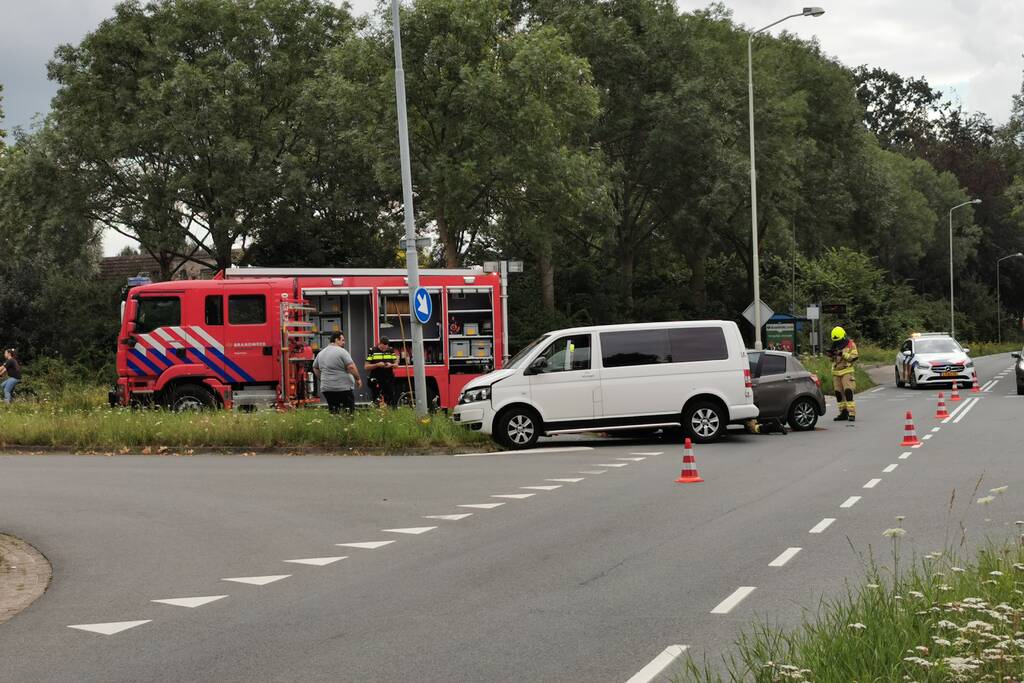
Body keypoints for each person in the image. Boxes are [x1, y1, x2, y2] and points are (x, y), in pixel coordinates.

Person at [312, 332, 362, 414]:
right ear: (336, 340)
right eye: (342, 340)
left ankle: (335, 425)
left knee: (334, 411)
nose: (344, 342)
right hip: (343, 388)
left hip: (327, 389)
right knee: (348, 412)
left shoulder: (321, 353)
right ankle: (348, 426)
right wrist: (358, 378)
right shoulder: (342, 351)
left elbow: (315, 367)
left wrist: (322, 379)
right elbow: (351, 367)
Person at [828, 326, 859, 422]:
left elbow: (854, 357)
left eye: (839, 340)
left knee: (848, 391)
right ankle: (843, 412)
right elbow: (831, 360)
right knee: (838, 393)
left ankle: (851, 413)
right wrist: (831, 355)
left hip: (847, 371)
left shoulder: (850, 344)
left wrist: (842, 354)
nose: (838, 343)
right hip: (836, 372)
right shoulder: (835, 344)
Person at [364, 336, 398, 407]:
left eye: (386, 348)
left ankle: (391, 413)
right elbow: (366, 367)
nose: (384, 349)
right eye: (382, 348)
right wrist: (377, 365)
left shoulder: (391, 350)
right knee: (376, 400)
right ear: (379, 343)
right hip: (376, 379)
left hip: (388, 379)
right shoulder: (372, 351)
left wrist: (391, 365)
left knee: (390, 400)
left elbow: (396, 365)